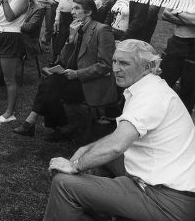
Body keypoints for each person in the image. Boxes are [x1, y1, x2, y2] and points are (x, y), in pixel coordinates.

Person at [43, 40, 195, 221]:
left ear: (147, 67)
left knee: (63, 184)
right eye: (114, 61)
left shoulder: (150, 97)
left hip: (167, 202)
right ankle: (100, 210)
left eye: (124, 63)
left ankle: (83, 205)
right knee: (98, 158)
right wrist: (86, 149)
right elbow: (118, 140)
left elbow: (116, 145)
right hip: (168, 187)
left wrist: (74, 165)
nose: (115, 69)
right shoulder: (150, 87)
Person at [13, 0, 116, 140]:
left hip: (91, 83)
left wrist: (77, 73)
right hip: (72, 78)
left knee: (50, 85)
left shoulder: (101, 30)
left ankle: (39, 123)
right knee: (51, 83)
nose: (72, 12)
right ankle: (59, 128)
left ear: (89, 12)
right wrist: (71, 38)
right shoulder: (76, 28)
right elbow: (63, 60)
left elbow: (105, 65)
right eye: (72, 8)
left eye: (76, 8)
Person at [159, 5, 195, 115]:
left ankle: (183, 124)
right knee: (161, 82)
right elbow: (164, 15)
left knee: (189, 89)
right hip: (176, 42)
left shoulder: (180, 4)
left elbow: (194, 21)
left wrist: (177, 12)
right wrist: (187, 18)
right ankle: (154, 114)